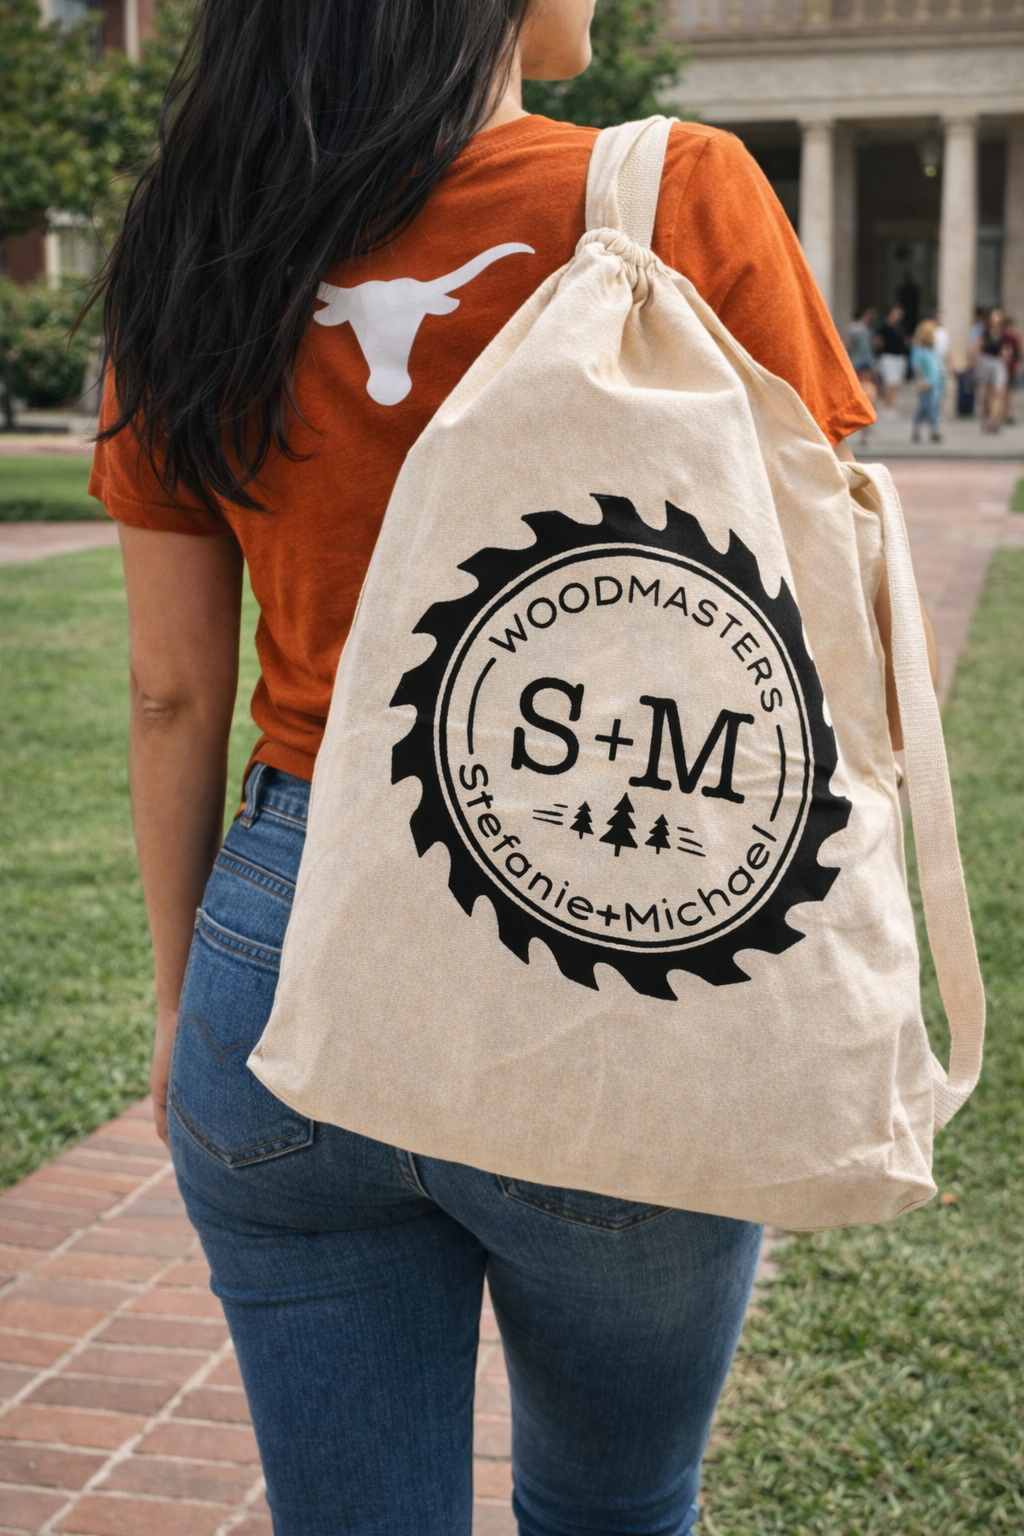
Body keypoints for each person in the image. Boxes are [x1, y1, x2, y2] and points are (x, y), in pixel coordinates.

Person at [87, 2, 894, 1531]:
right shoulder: (675, 193)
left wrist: (186, 998)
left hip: (286, 939)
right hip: (605, 918)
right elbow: (820, 592)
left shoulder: (194, 241)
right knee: (616, 1507)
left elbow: (172, 690)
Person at [970, 308, 1014, 432]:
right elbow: (977, 348)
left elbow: (1009, 348)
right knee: (987, 394)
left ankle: (994, 420)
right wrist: (972, 364)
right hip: (985, 362)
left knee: (998, 391)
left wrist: (1005, 355)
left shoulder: (1004, 333)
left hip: (998, 363)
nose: (996, 319)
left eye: (998, 316)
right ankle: (986, 417)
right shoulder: (985, 332)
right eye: (994, 316)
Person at [909, 318, 944, 444]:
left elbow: (937, 364)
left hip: (936, 381)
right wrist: (921, 380)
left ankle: (918, 429)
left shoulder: (932, 348)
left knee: (932, 405)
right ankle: (932, 429)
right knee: (927, 406)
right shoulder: (918, 348)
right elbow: (916, 366)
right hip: (925, 382)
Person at [875, 303, 908, 418]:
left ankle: (892, 407)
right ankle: (886, 407)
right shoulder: (884, 326)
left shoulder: (900, 327)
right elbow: (878, 341)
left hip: (899, 357)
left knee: (895, 383)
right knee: (889, 383)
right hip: (888, 356)